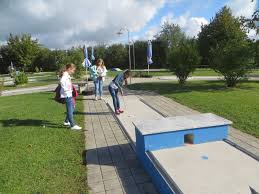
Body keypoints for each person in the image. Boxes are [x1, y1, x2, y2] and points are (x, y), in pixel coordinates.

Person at [60, 63, 82, 130]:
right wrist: (66, 89)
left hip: (69, 94)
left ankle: (66, 121)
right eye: (73, 70)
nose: (73, 72)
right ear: (69, 69)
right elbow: (61, 81)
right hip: (67, 95)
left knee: (72, 107)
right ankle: (73, 125)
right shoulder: (65, 75)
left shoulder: (67, 75)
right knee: (70, 110)